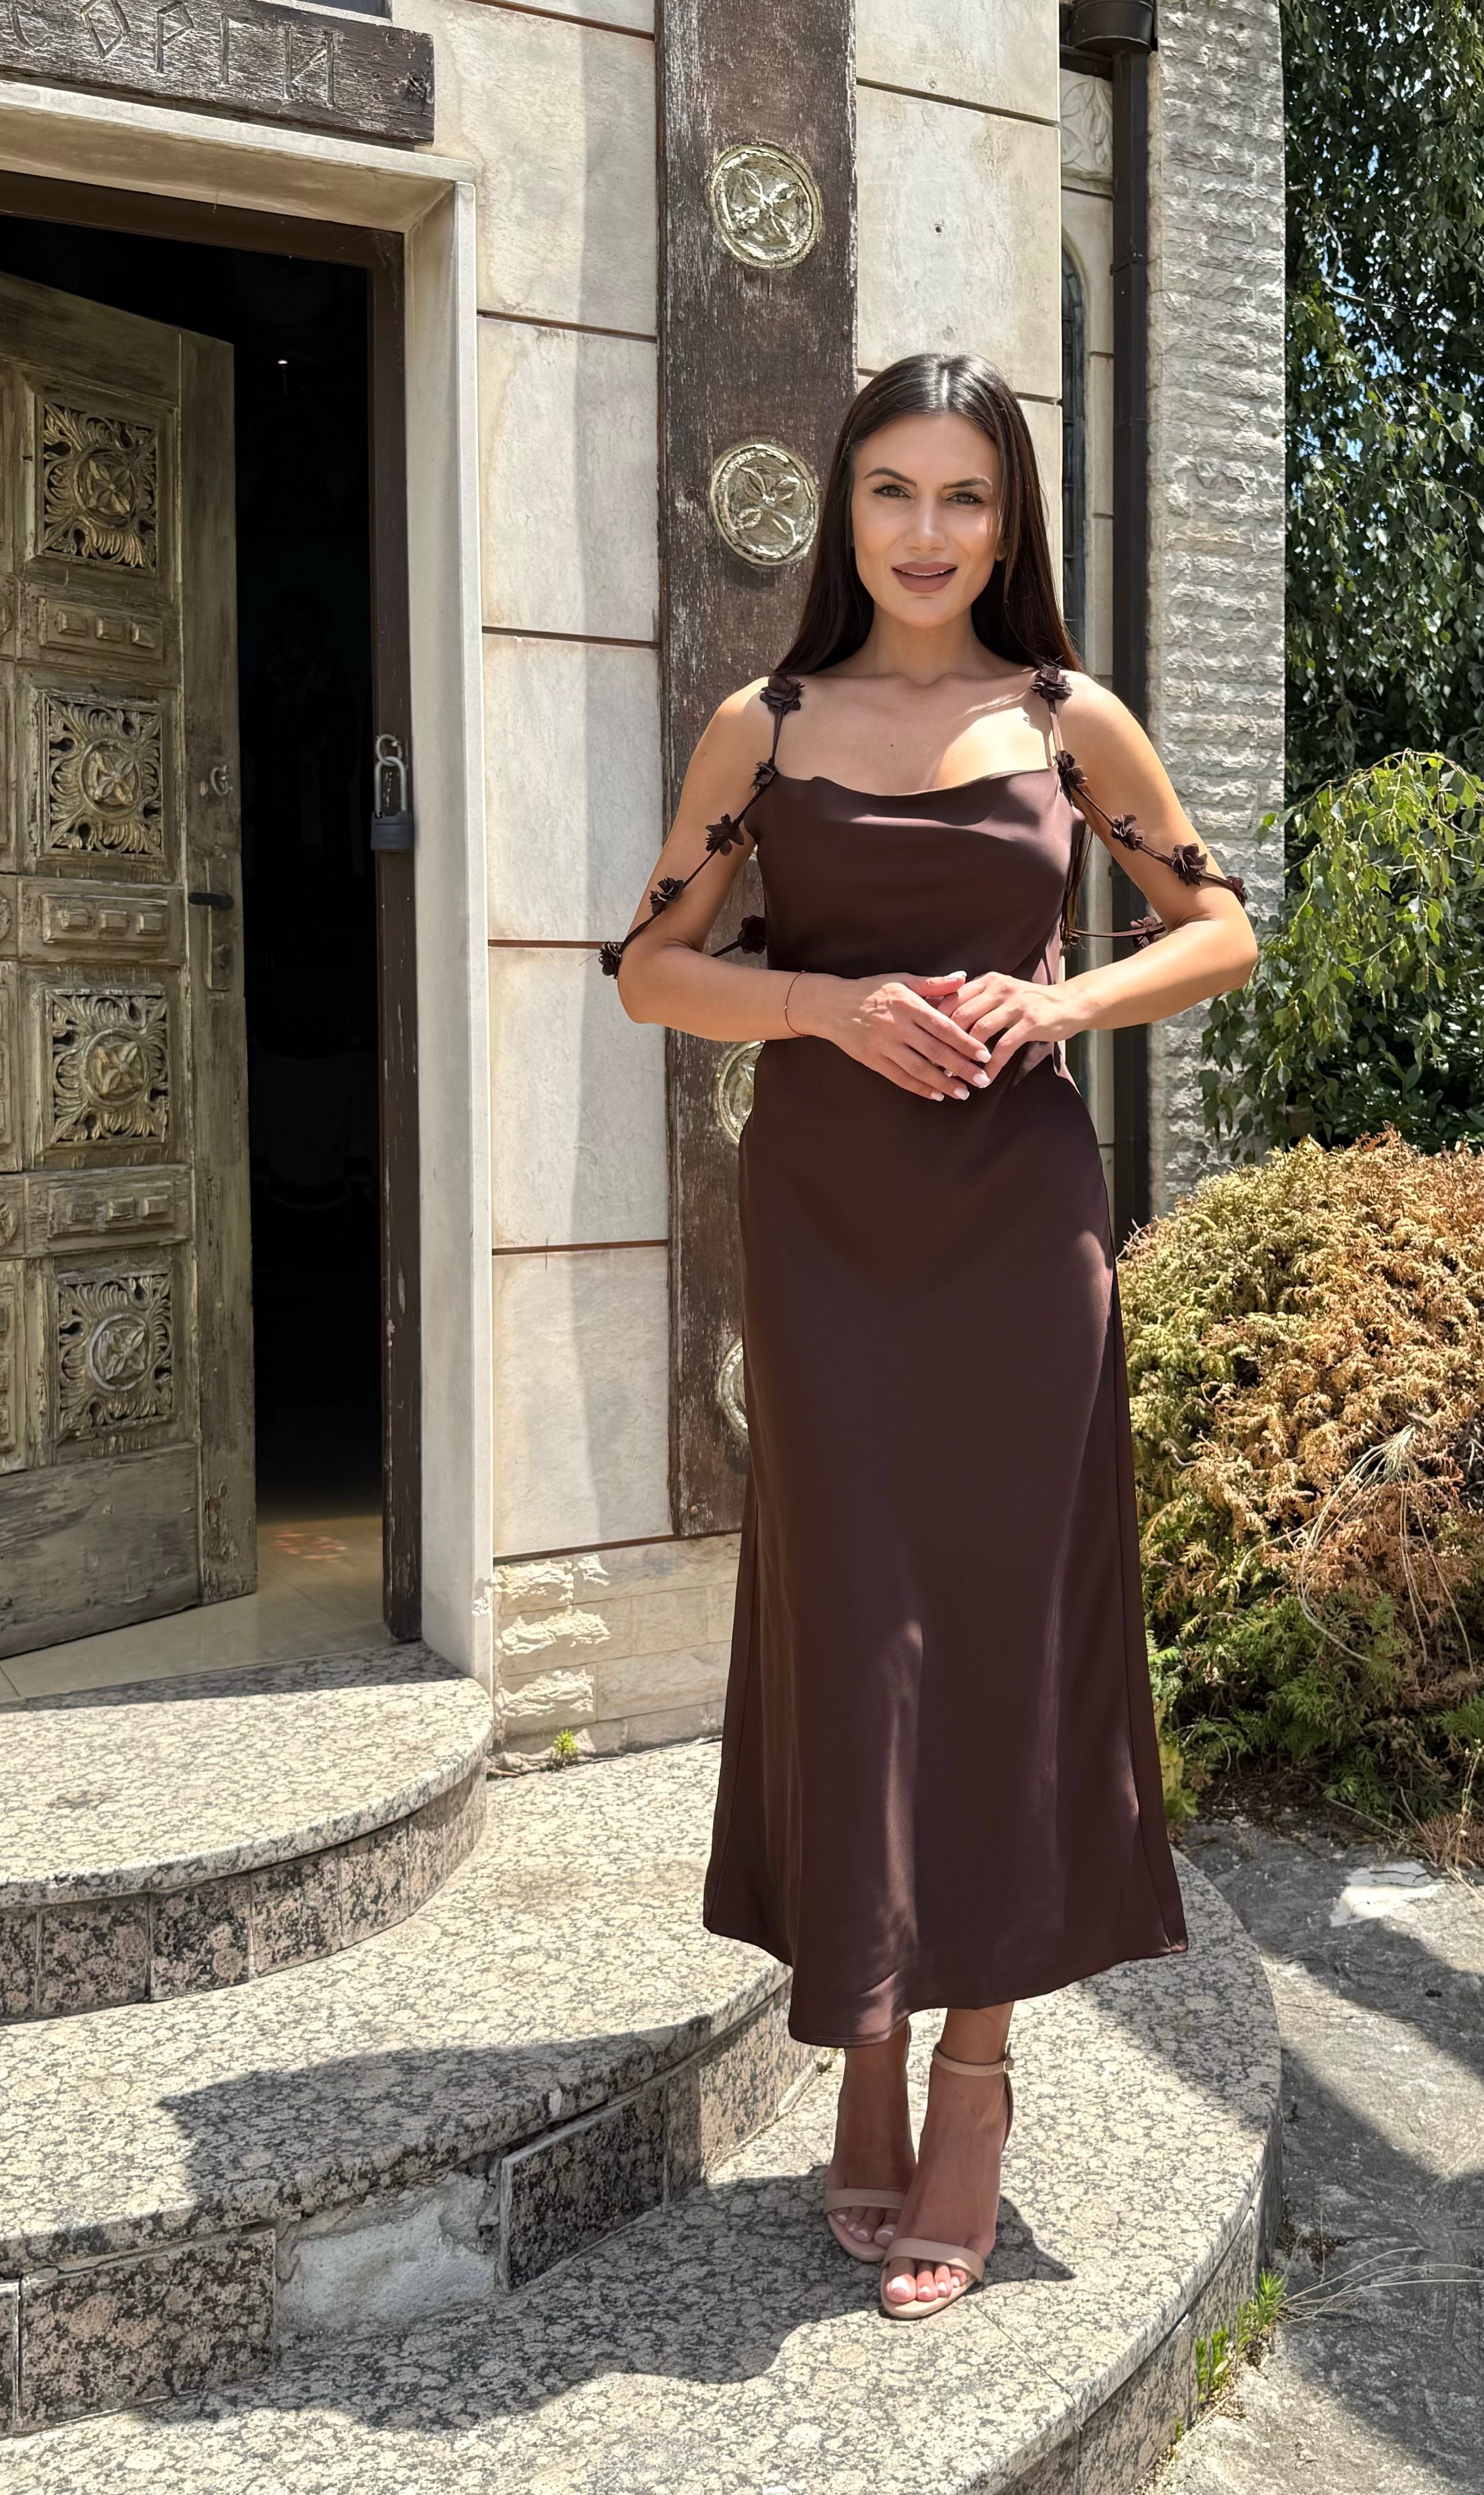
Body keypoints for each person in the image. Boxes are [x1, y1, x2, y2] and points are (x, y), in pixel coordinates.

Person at [608, 352, 1258, 2322]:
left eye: (965, 495)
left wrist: (1056, 1004)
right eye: (891, 490)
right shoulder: (765, 727)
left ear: (1010, 520)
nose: (925, 530)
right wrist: (820, 1006)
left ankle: (971, 2078)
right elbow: (649, 970)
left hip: (1016, 1240)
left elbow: (1219, 927)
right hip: (828, 1235)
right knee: (858, 1625)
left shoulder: (1068, 719)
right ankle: (866, 2032)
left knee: (1003, 1627)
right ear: (845, 508)